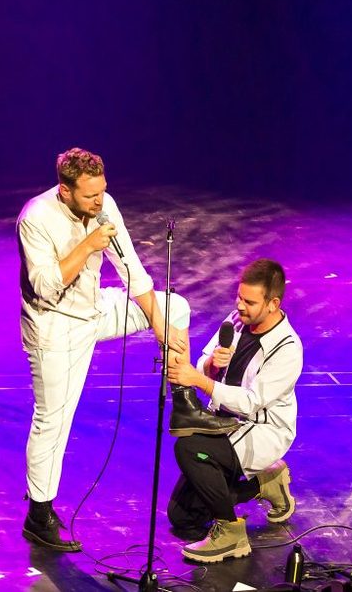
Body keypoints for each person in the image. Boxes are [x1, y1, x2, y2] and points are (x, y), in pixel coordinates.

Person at [17, 148, 238, 552]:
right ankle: (39, 514)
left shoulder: (104, 206)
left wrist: (159, 323)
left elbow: (131, 269)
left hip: (94, 309)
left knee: (174, 308)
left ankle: (184, 401)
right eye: (90, 195)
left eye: (102, 191)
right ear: (65, 191)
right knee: (53, 420)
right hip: (55, 326)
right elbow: (45, 286)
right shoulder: (36, 218)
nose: (99, 201)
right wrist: (87, 245)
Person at [166, 258, 303, 563]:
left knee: (190, 448)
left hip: (260, 429)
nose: (240, 305)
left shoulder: (287, 348)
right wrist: (212, 365)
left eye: (249, 302)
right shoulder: (236, 321)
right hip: (224, 419)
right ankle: (263, 483)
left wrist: (200, 380)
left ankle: (231, 532)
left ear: (273, 304)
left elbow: (252, 402)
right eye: (239, 297)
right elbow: (205, 363)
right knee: (183, 517)